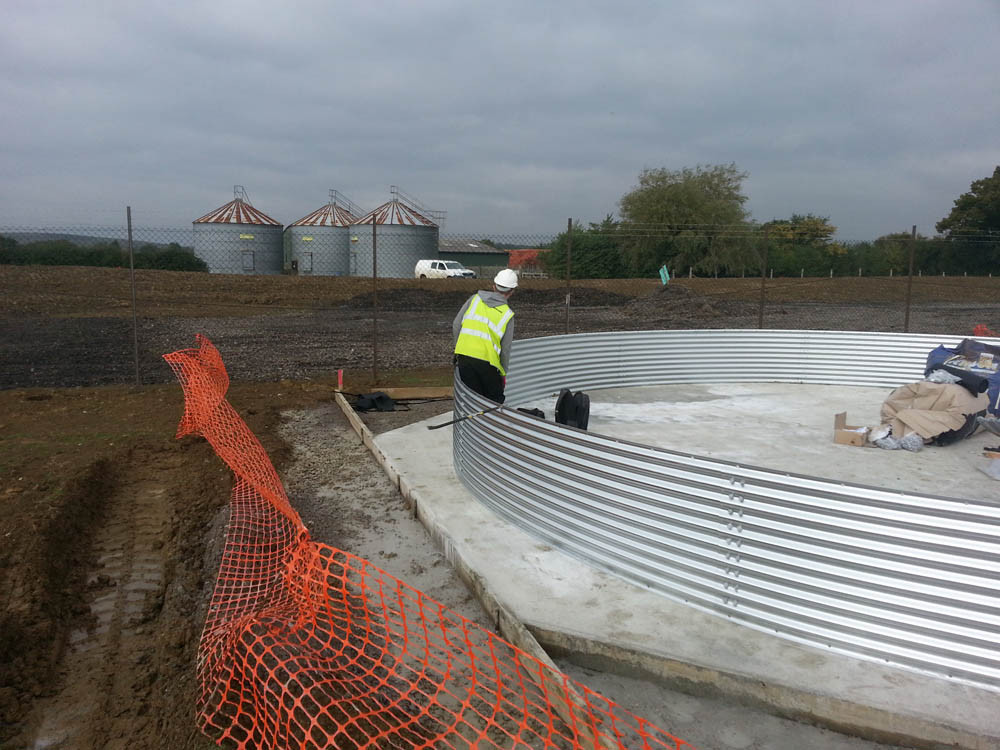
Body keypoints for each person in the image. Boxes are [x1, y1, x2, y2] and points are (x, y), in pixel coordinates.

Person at [452, 268, 518, 403]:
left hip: (464, 358)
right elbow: (505, 349)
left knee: (472, 400)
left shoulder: (474, 299)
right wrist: (503, 373)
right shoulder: (507, 315)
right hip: (488, 363)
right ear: (512, 291)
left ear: (494, 286)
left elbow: (456, 325)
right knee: (494, 401)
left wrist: (459, 350)